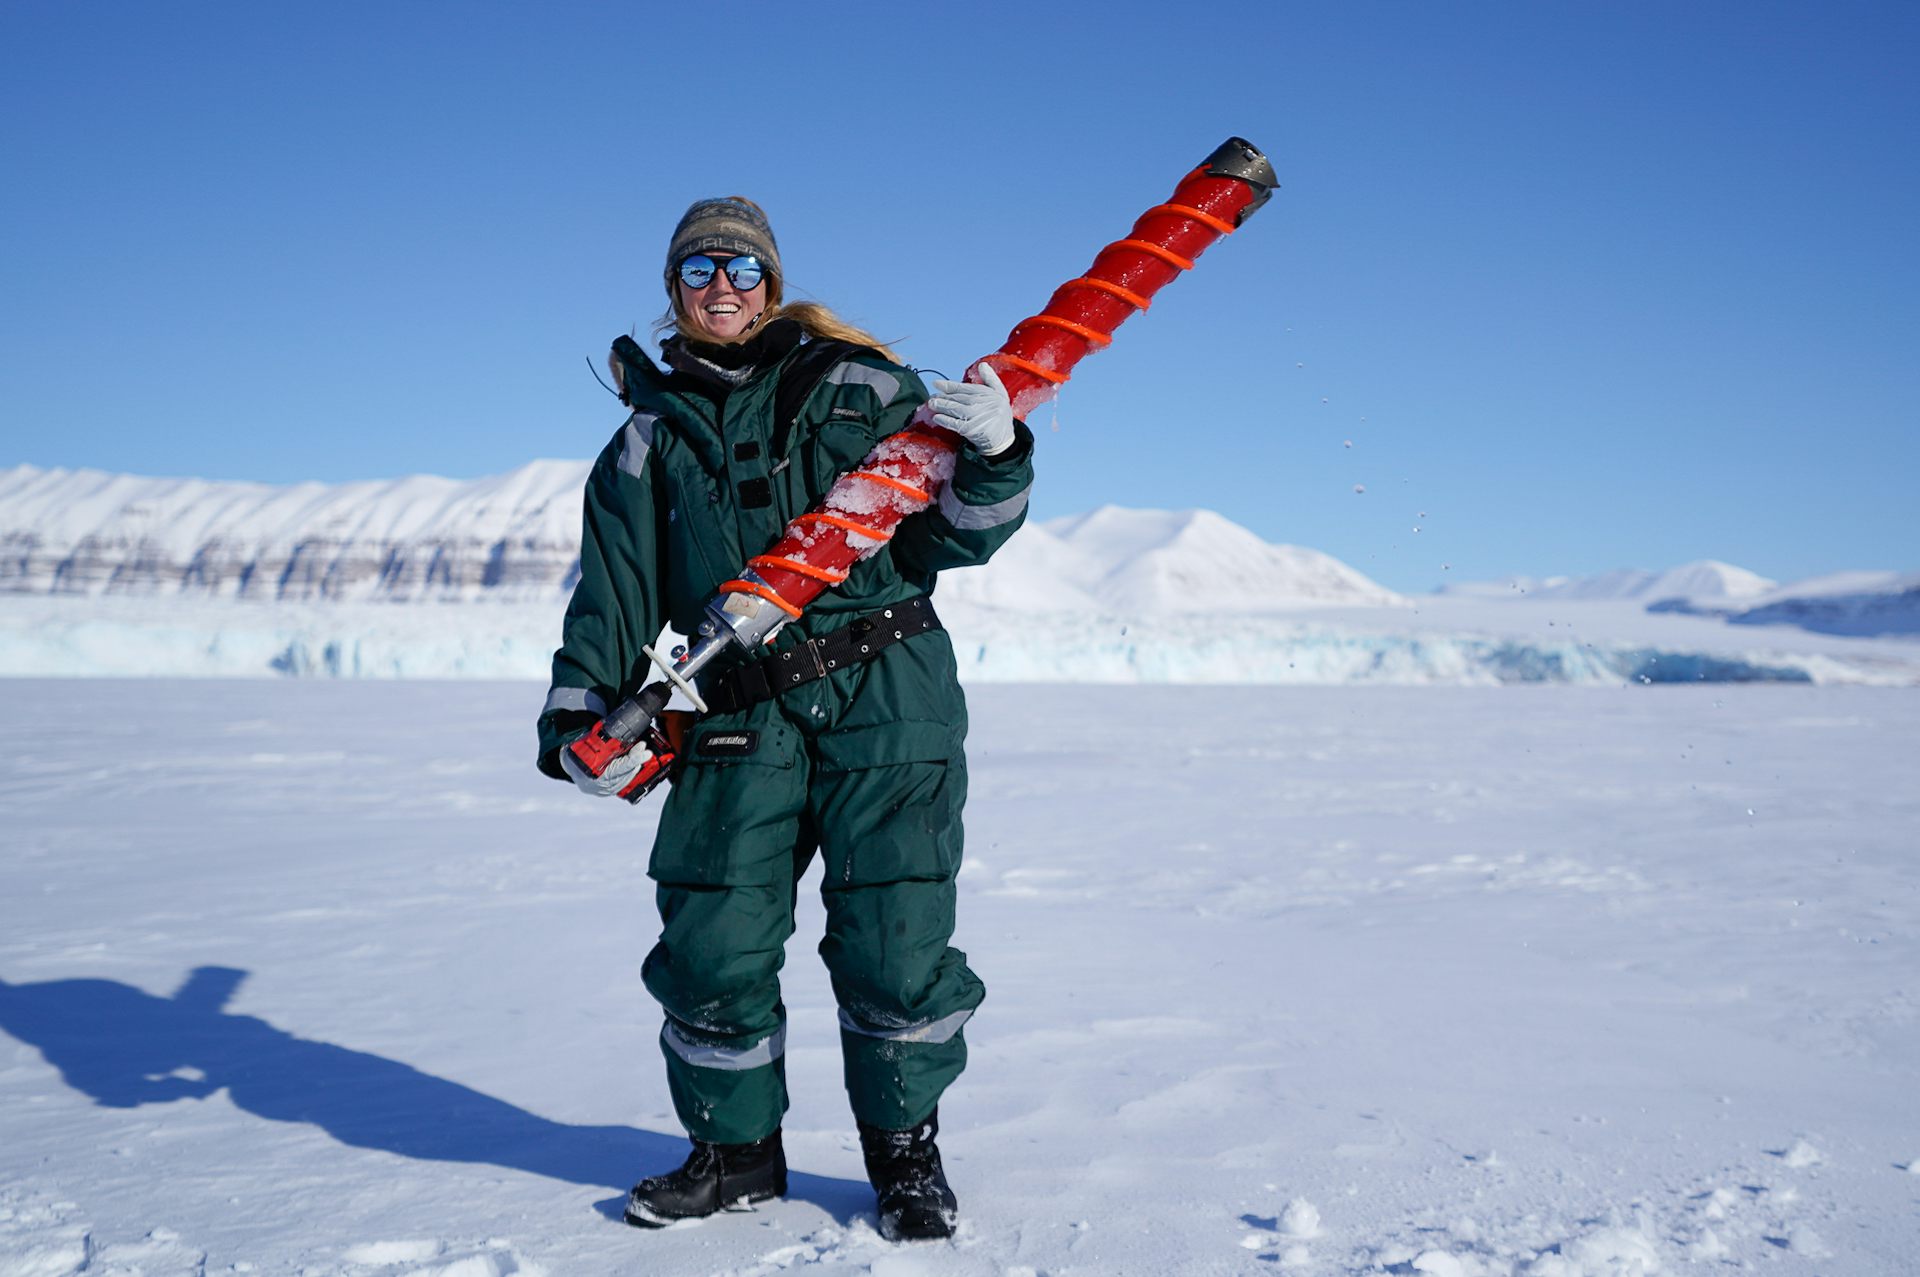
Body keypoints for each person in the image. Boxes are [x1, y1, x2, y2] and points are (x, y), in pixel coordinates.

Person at [534, 197, 1034, 1241]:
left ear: (772, 281)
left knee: (896, 943)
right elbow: (611, 597)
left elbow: (956, 538)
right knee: (713, 943)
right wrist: (578, 719)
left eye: (743, 270)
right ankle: (733, 1155)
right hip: (732, 717)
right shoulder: (644, 442)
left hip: (885, 695)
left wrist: (996, 454)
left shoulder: (863, 390)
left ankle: (904, 1157)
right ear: (673, 288)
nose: (723, 286)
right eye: (699, 269)